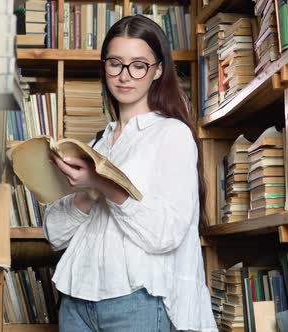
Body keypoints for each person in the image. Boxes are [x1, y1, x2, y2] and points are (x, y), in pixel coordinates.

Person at [43, 15, 218, 332]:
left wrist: (104, 185)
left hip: (136, 301)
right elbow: (54, 234)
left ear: (158, 70)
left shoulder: (171, 134)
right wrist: (88, 193)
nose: (125, 76)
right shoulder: (97, 143)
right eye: (115, 63)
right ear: (104, 66)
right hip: (75, 302)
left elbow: (166, 234)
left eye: (139, 65)